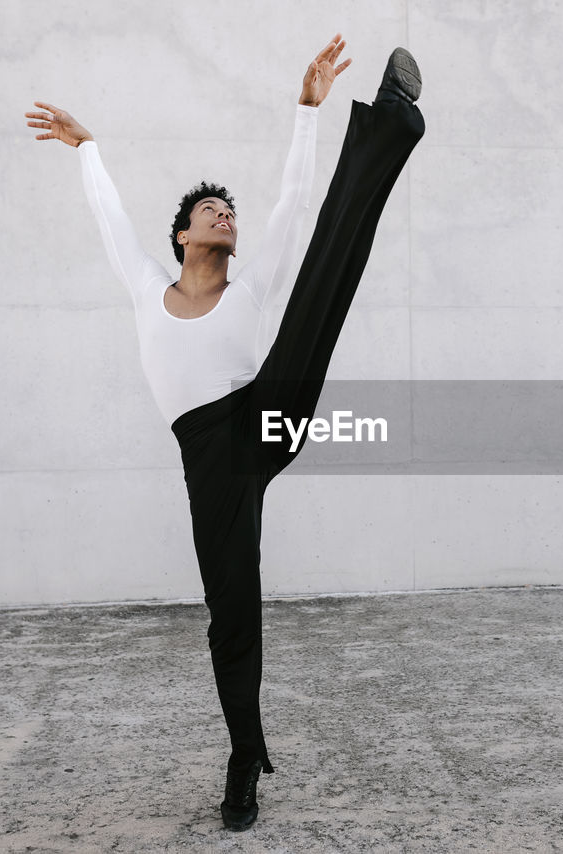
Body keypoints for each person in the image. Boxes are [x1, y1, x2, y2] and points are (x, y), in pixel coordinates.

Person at [25, 35, 424, 831]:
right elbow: (109, 222)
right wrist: (89, 148)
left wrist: (307, 112)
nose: (226, 215)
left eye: (227, 212)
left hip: (261, 420)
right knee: (231, 609)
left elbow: (290, 205)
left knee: (317, 278)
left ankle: (389, 126)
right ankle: (245, 757)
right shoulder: (147, 288)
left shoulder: (248, 292)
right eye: (211, 211)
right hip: (210, 460)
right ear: (182, 236)